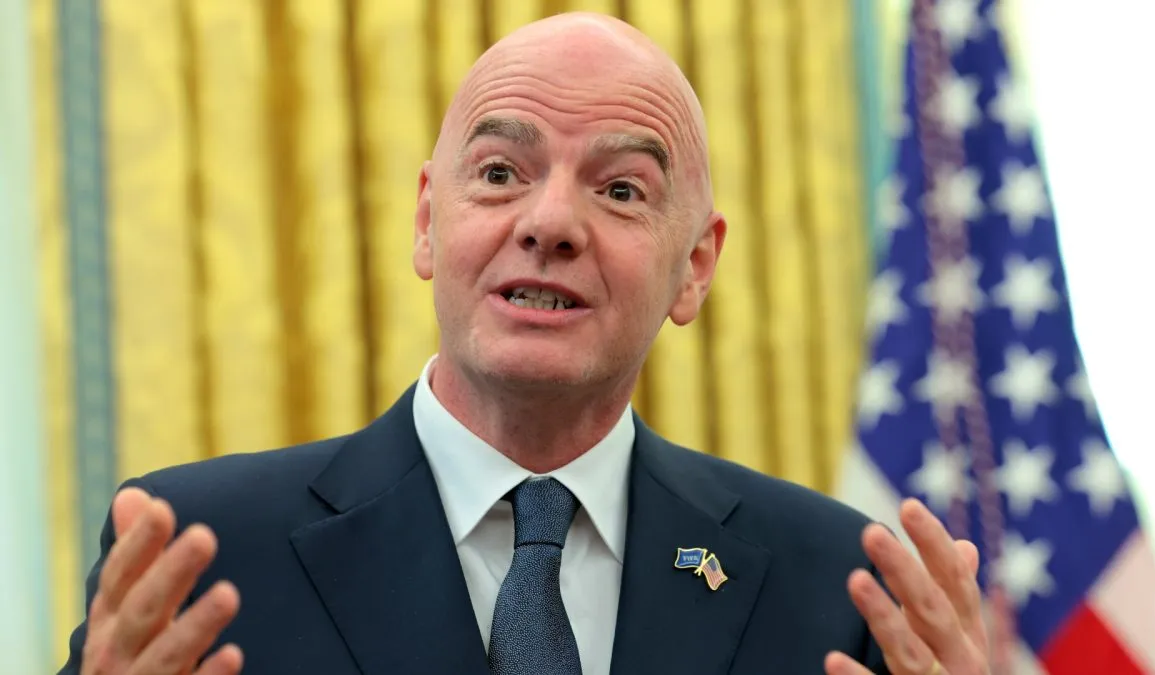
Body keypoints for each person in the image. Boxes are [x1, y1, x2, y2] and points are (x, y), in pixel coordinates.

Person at [61, 12, 990, 675]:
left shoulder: (837, 588)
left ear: (695, 267)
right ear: (428, 222)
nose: (550, 222)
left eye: (621, 189)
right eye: (501, 172)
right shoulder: (199, 556)